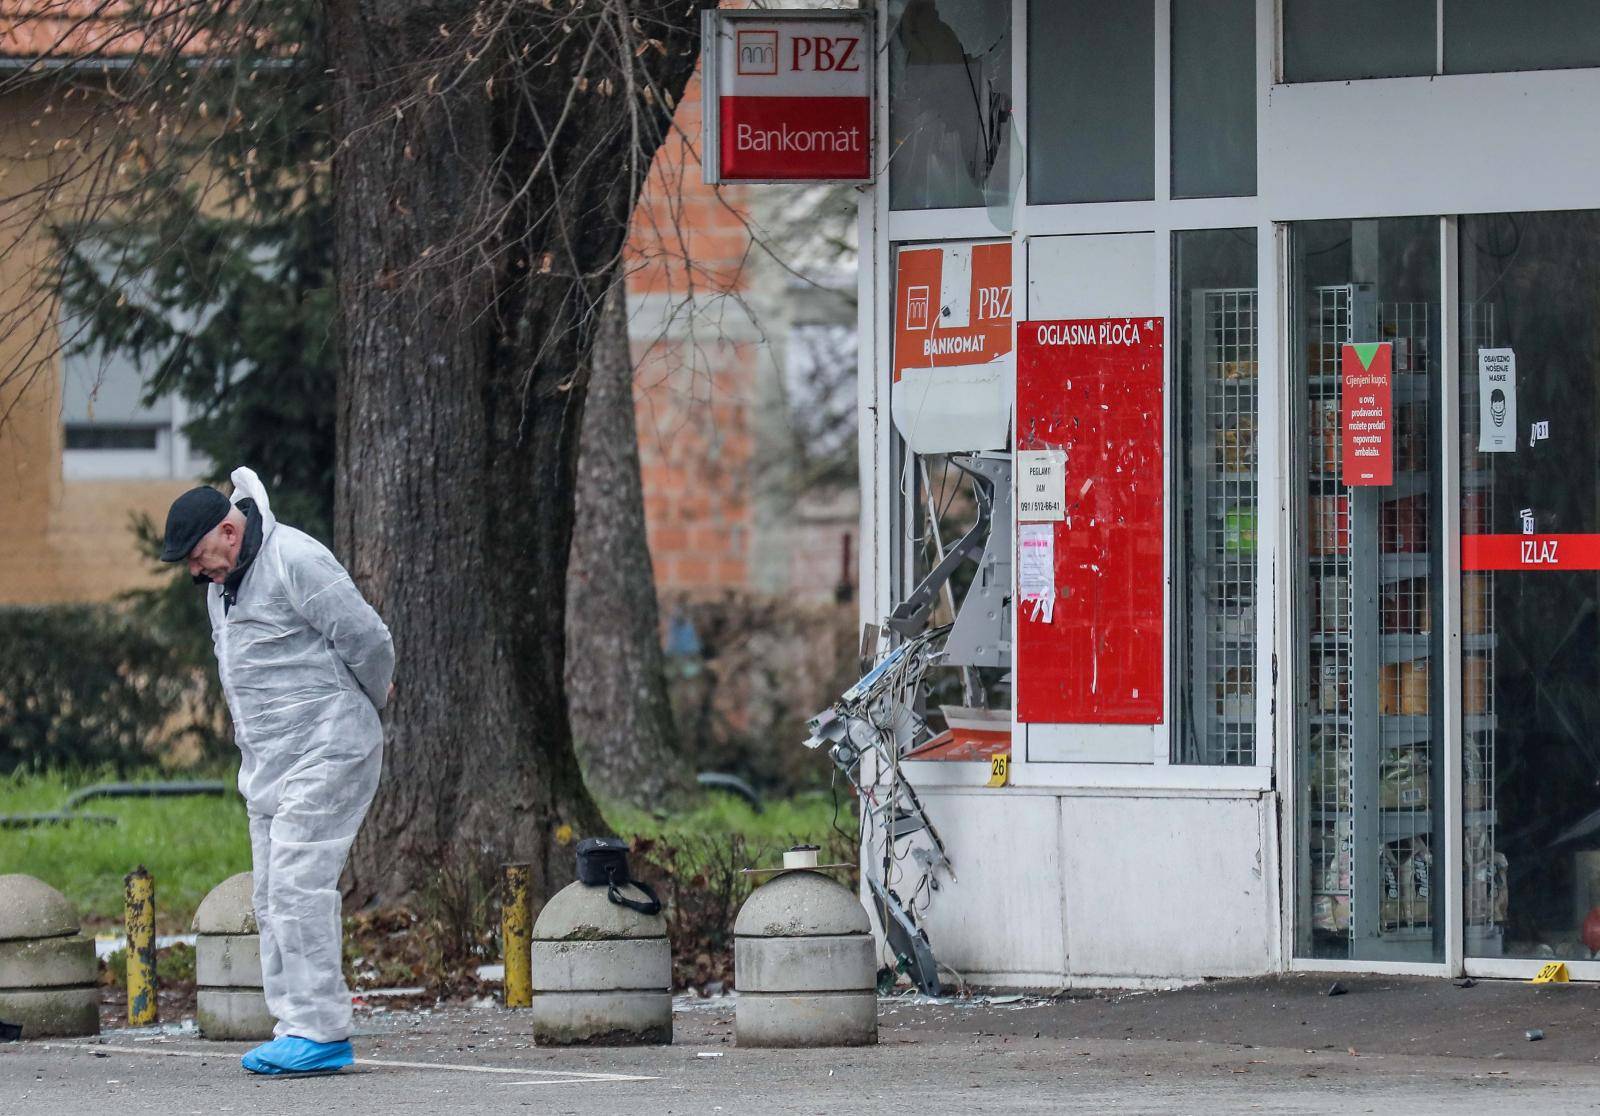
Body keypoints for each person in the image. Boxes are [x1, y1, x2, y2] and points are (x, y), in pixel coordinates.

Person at [159, 466, 394, 1075]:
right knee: (269, 896)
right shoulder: (223, 587)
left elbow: (367, 639)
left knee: (295, 883)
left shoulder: (296, 560)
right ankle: (297, 1024)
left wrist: (363, 706)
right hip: (267, 763)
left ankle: (321, 1030)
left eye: (195, 555)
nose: (193, 570)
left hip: (329, 747)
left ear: (228, 533)